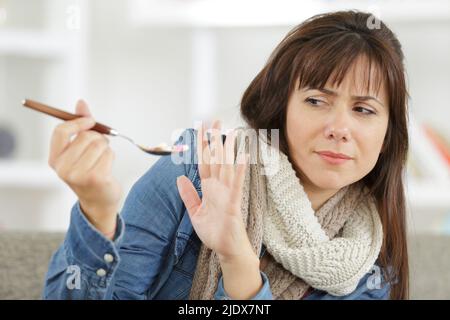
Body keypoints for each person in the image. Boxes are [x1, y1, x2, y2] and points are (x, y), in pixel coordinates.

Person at [43, 10, 409, 300]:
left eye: (364, 110)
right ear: (281, 108)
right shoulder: (196, 167)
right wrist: (98, 213)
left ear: (388, 133)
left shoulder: (369, 266)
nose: (339, 128)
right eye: (316, 101)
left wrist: (237, 260)